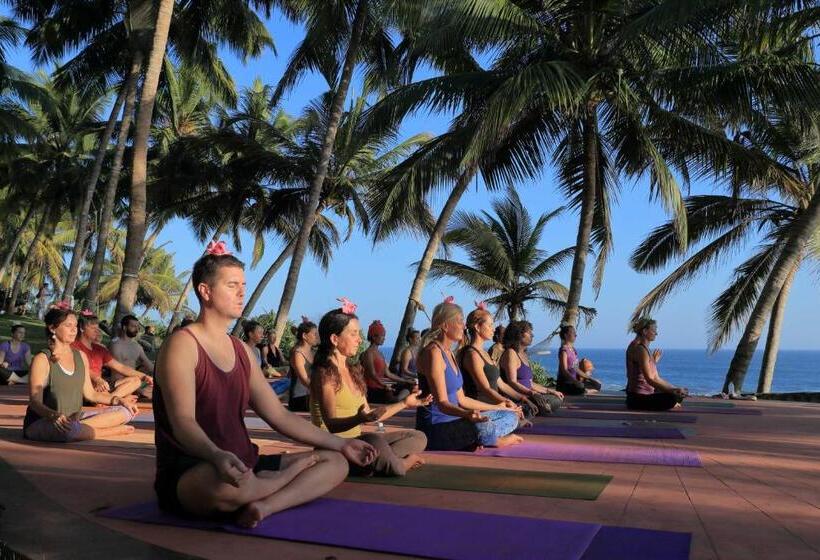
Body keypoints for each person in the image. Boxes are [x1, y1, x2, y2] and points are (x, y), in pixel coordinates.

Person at [152, 242, 375, 528]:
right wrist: (216, 456)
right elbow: (183, 421)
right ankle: (279, 482)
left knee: (337, 463)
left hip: (245, 464)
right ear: (205, 291)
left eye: (243, 284)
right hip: (197, 468)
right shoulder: (182, 345)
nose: (242, 292)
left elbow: (279, 415)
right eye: (232, 285)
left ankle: (265, 505)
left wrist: (342, 444)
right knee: (224, 488)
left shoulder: (241, 350)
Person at [311, 303, 429, 476]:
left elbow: (369, 415)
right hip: (335, 447)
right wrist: (359, 418)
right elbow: (331, 425)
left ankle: (375, 460)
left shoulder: (352, 371)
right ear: (335, 339)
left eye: (359, 333)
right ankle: (401, 462)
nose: (359, 339)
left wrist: (405, 403)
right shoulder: (324, 374)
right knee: (374, 441)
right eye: (353, 334)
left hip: (358, 442)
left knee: (418, 437)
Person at [415, 299, 521, 451]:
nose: (463, 326)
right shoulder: (434, 353)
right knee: (482, 424)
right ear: (445, 326)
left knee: (509, 416)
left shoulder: (449, 353)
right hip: (435, 428)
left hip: (457, 420)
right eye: (459, 321)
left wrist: (500, 407)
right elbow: (442, 403)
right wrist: (467, 415)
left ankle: (478, 438)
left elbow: (462, 399)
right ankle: (494, 440)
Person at [23, 307, 139, 442]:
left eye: (75, 326)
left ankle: (81, 429)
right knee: (68, 431)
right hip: (45, 421)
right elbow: (35, 402)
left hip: (73, 419)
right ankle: (106, 432)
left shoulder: (80, 356)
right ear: (52, 328)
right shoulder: (42, 359)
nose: (74, 330)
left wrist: (119, 400)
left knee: (125, 411)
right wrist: (53, 415)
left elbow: (91, 394)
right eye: (68, 325)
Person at [458, 307, 534, 419]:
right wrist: (508, 403)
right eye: (490, 325)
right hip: (483, 410)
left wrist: (523, 398)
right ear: (477, 327)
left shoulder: (484, 353)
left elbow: (501, 384)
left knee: (528, 411)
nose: (493, 329)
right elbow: (485, 388)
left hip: (496, 405)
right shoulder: (472, 355)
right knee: (517, 417)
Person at [72, 312, 151, 400]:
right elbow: (83, 368)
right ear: (82, 328)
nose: (97, 331)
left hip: (102, 386)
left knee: (136, 381)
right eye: (93, 328)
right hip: (85, 386)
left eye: (97, 328)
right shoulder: (74, 346)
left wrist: (144, 376)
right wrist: (97, 379)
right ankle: (110, 398)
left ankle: (107, 398)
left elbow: (120, 367)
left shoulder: (100, 349)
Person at [499, 321, 564, 416]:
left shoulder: (524, 355)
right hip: (517, 397)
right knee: (552, 402)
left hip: (530, 395)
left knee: (557, 398)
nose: (532, 335)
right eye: (529, 333)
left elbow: (530, 383)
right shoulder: (511, 353)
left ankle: (532, 409)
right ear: (519, 334)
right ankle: (524, 409)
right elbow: (512, 382)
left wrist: (550, 391)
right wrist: (532, 393)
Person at [625, 318, 688, 411]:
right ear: (645, 331)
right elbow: (650, 379)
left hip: (647, 394)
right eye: (654, 330)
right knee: (672, 398)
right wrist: (672, 391)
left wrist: (675, 388)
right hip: (637, 398)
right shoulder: (639, 349)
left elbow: (656, 377)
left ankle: (673, 399)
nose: (656, 333)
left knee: (678, 395)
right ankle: (672, 401)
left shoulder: (644, 349)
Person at [361, 320, 412, 403]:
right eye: (382, 336)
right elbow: (372, 374)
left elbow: (388, 374)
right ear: (374, 337)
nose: (384, 338)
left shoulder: (379, 353)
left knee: (409, 385)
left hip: (381, 387)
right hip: (373, 390)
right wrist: (385, 385)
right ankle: (395, 400)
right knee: (397, 394)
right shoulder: (368, 353)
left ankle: (396, 399)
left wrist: (405, 380)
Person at [109, 315, 155, 400]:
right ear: (124, 327)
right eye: (133, 326)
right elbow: (119, 368)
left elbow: (150, 367)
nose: (136, 329)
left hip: (135, 383)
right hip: (118, 384)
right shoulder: (114, 344)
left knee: (159, 391)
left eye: (138, 327)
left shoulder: (137, 347)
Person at [556, 325, 602, 395]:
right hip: (565, 384)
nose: (575, 335)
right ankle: (585, 391)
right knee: (580, 387)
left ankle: (585, 390)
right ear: (566, 335)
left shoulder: (573, 350)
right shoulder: (564, 350)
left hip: (575, 383)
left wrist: (590, 379)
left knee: (597, 385)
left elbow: (576, 369)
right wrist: (575, 381)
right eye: (573, 333)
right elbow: (564, 370)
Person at [288, 319, 318, 412]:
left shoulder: (314, 352)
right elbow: (304, 380)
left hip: (311, 395)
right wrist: (322, 391)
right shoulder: (298, 353)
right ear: (304, 336)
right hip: (299, 398)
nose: (316, 337)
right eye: (314, 334)